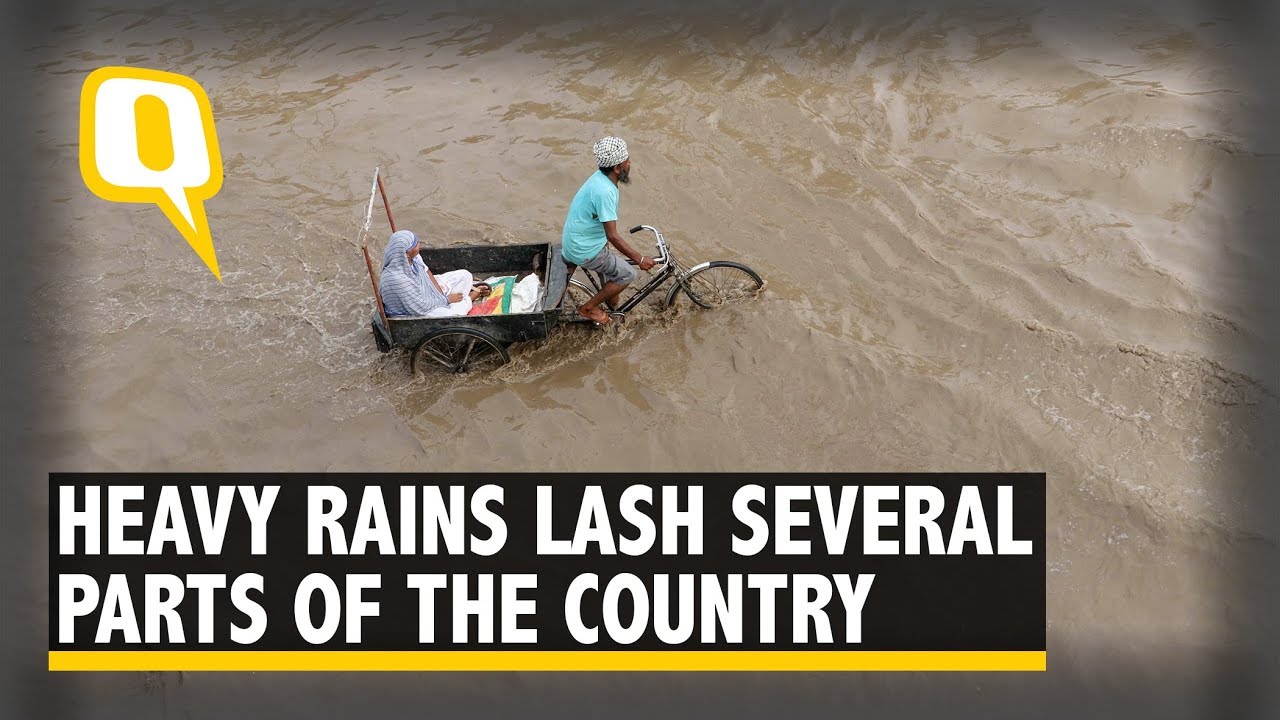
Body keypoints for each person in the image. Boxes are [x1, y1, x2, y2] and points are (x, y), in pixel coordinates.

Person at [561, 136, 656, 325]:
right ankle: (588, 308)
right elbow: (612, 235)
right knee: (628, 274)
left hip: (576, 240)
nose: (630, 163)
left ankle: (612, 304)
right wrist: (640, 259)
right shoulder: (605, 192)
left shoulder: (600, 179)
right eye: (626, 161)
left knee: (613, 277)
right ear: (617, 168)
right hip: (584, 249)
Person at [379, 230, 487, 317]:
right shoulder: (397, 280)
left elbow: (427, 272)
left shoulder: (415, 258)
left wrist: (439, 294)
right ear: (406, 253)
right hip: (417, 311)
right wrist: (446, 300)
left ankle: (456, 302)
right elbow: (419, 307)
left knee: (465, 275)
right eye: (416, 244)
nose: (419, 244)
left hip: (427, 292)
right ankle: (470, 298)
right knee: (454, 316)